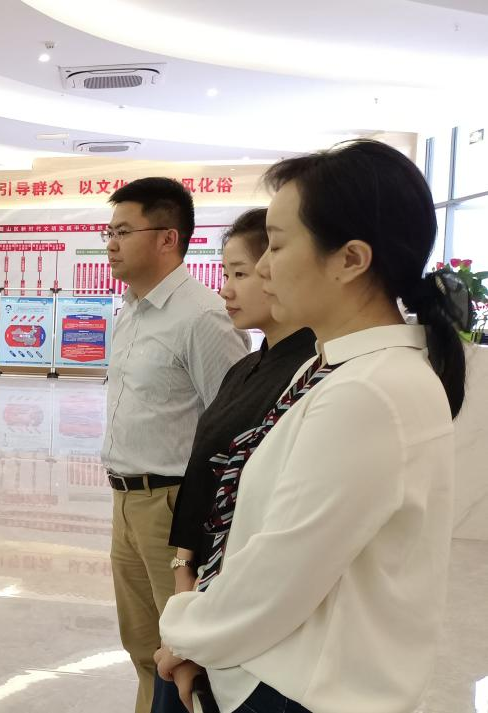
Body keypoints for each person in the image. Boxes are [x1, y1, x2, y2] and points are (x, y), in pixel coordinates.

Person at [158, 139, 467, 713]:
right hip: (270, 666)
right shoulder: (331, 368)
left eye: (276, 245)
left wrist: (184, 631)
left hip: (301, 688)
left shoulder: (369, 391)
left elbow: (278, 577)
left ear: (350, 260)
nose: (264, 268)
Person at [151, 209, 317, 713]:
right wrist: (184, 575)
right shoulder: (247, 367)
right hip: (201, 597)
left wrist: (198, 631)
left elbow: (270, 528)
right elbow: (205, 473)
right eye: (227, 273)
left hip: (240, 620)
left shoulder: (315, 378)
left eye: (241, 273)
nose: (226, 289)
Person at [101, 178, 251, 713]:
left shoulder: (202, 317)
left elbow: (235, 429)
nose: (111, 244)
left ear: (168, 237)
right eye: (109, 232)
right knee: (143, 645)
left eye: (123, 231)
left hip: (173, 505)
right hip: (126, 500)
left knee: (184, 653)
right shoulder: (131, 310)